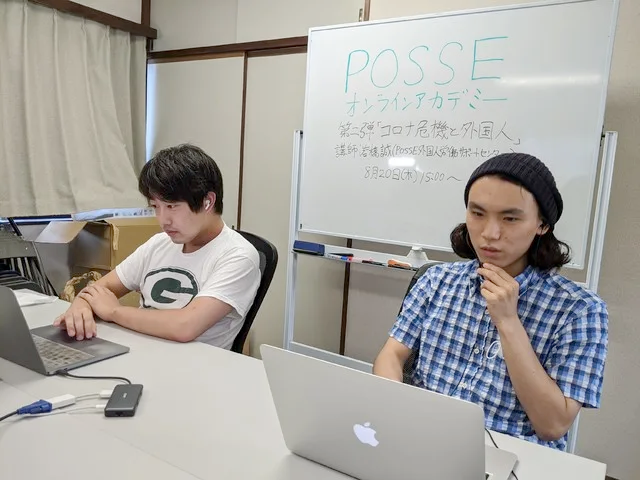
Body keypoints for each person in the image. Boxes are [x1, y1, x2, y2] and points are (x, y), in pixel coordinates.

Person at [373, 153, 608, 451]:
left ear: (542, 224)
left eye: (510, 218)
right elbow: (391, 357)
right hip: (422, 438)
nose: (489, 234)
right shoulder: (437, 280)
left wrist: (508, 321)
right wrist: (398, 414)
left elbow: (552, 425)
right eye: (477, 213)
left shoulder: (581, 310)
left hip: (511, 454)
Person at [54, 144, 261, 350]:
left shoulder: (239, 256)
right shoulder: (159, 243)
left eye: (172, 206)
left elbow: (184, 326)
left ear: (207, 201)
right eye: (155, 206)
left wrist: (114, 312)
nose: (163, 220)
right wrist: (81, 306)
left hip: (192, 365)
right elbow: (100, 290)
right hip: (140, 352)